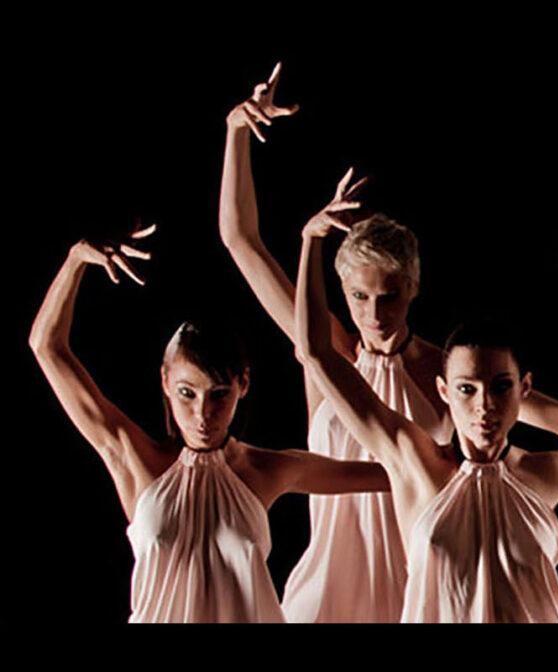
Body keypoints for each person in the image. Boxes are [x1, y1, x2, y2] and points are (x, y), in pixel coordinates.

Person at [294, 195, 558, 623]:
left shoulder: (547, 471)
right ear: (446, 391)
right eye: (467, 389)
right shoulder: (413, 458)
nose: (484, 405)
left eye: (500, 388)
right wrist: (309, 241)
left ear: (522, 390)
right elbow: (315, 352)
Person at [29, 225, 393, 623]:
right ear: (166, 383)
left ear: (243, 384)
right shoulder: (134, 458)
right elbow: (46, 347)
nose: (203, 414)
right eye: (188, 393)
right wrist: (75, 260)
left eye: (218, 394)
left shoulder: (264, 470)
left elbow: (396, 475)